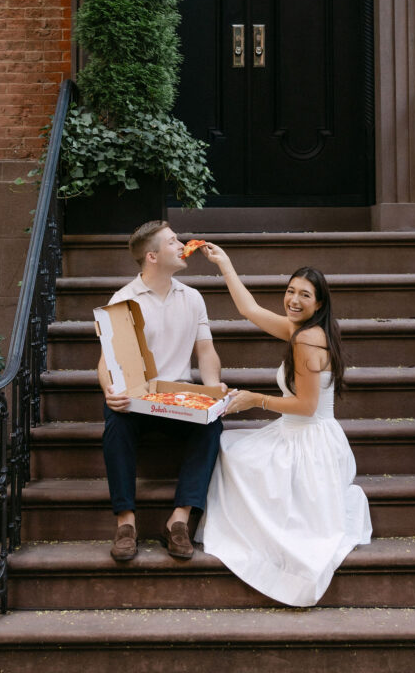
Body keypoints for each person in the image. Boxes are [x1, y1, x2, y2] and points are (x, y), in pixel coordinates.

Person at [196, 243, 372, 607]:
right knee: (231, 446)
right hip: (304, 432)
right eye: (290, 291)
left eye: (304, 295)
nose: (293, 300)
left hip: (308, 443)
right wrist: (224, 263)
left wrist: (254, 400)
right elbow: (249, 309)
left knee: (231, 454)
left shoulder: (306, 339)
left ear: (319, 304)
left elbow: (306, 407)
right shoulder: (306, 329)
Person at [97, 220, 225, 563]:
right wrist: (110, 390)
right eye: (172, 242)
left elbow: (206, 352)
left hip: (178, 398)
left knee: (212, 423)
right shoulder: (124, 299)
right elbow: (106, 362)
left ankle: (179, 520)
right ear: (152, 256)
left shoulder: (192, 298)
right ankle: (126, 523)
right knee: (115, 421)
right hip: (137, 400)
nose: (182, 245)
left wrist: (212, 387)